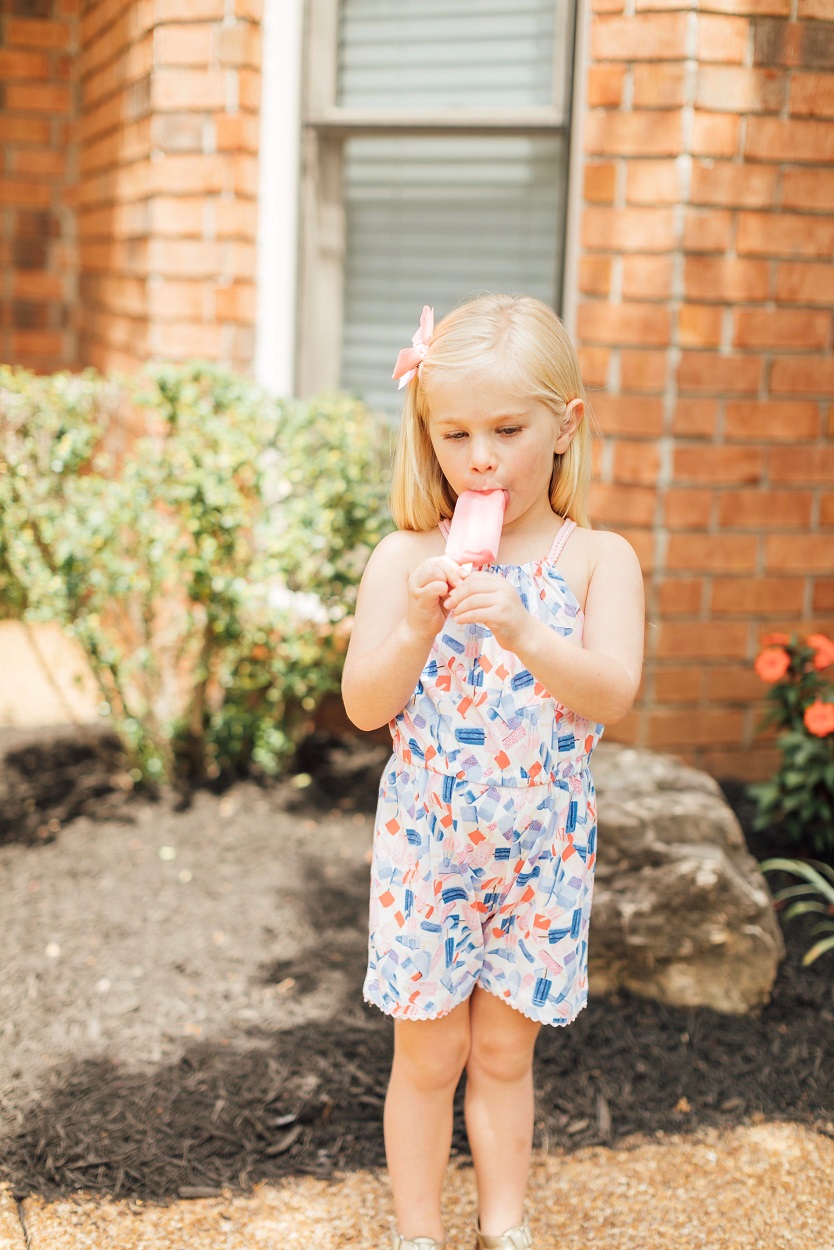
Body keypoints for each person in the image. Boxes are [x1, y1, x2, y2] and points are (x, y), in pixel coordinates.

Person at [341, 294, 645, 1250]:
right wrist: (418, 623)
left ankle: (505, 1224)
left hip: (544, 852)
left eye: (508, 430)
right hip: (431, 849)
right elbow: (364, 705)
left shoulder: (598, 560)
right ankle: (419, 1233)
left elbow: (611, 694)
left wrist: (523, 626)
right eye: (455, 432)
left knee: (506, 1051)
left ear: (566, 427)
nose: (480, 457)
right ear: (426, 436)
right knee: (429, 1054)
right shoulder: (405, 559)